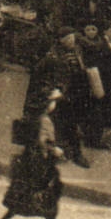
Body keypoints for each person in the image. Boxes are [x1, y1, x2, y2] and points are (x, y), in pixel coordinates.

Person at [0, 88, 68, 219]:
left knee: (23, 198)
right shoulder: (45, 120)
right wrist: (54, 150)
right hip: (41, 164)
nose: (54, 104)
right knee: (50, 197)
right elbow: (42, 142)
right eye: (52, 101)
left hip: (27, 162)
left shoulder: (31, 118)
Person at [25, 31, 91, 167]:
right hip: (59, 95)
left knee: (71, 124)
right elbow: (40, 76)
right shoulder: (53, 56)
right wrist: (51, 92)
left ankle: (73, 153)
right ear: (62, 40)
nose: (72, 41)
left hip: (74, 93)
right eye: (69, 38)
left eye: (73, 38)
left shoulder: (77, 51)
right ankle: (60, 153)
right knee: (58, 125)